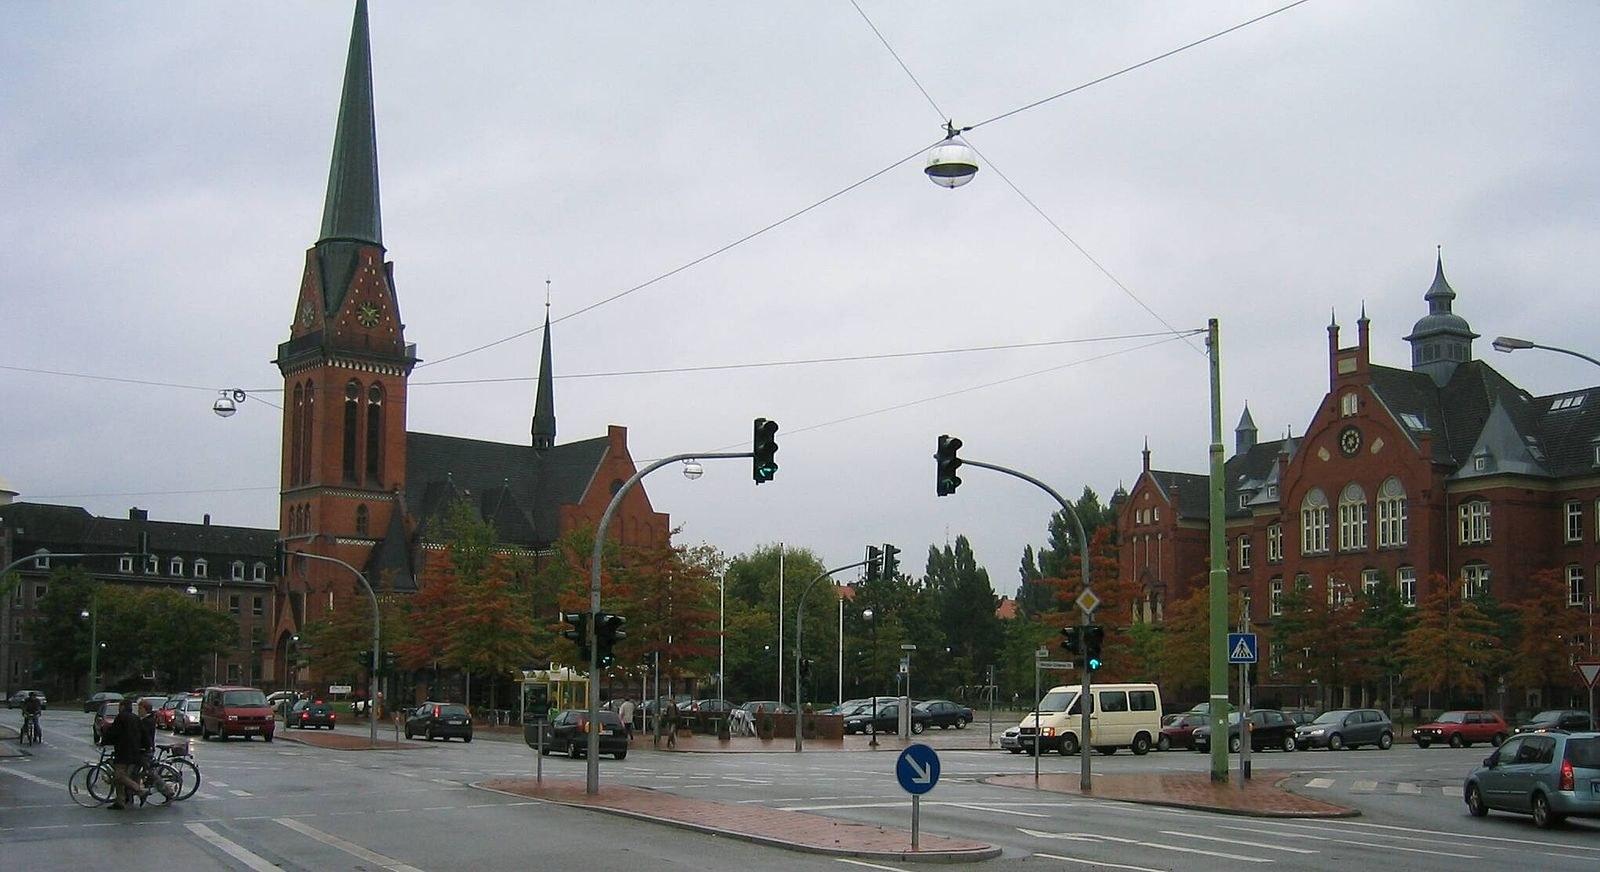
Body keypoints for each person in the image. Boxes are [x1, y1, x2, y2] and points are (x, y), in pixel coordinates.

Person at [100, 699, 147, 809]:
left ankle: (140, 790)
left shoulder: (121, 717)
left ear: (122, 707)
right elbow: (143, 732)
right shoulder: (135, 718)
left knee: (119, 776)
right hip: (135, 751)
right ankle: (120, 801)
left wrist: (104, 741)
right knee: (120, 777)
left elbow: (114, 733)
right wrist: (146, 746)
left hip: (123, 751)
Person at [136, 699, 174, 801]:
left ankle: (168, 791)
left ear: (145, 710)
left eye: (140, 708)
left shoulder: (147, 721)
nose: (138, 711)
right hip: (143, 749)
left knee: (150, 773)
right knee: (140, 772)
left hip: (145, 750)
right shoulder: (146, 719)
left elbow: (144, 736)